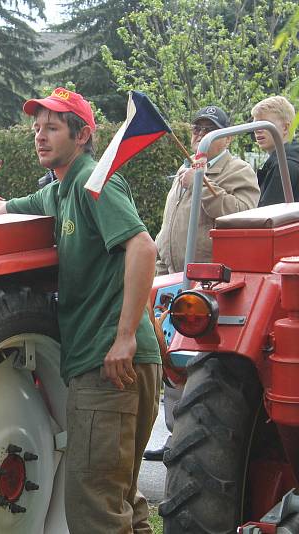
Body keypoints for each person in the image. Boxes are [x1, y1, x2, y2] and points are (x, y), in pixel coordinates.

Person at [0, 87, 161, 533]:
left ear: (83, 134)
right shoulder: (61, 191)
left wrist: (125, 336)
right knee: (119, 500)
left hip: (110, 363)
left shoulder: (97, 182)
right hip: (112, 359)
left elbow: (143, 247)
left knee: (93, 508)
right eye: (37, 128)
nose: (40, 136)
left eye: (52, 127)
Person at [146, 105, 260, 461]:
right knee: (170, 360)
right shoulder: (185, 169)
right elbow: (172, 226)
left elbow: (242, 214)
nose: (198, 134)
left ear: (224, 137)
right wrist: (158, 265)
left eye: (207, 128)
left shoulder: (238, 171)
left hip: (209, 284)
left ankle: (192, 437)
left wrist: (203, 188)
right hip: (173, 277)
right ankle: (174, 435)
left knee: (198, 362)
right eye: (196, 127)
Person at [251, 96, 299, 207]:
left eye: (264, 124)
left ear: (286, 128)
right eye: (254, 125)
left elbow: (268, 216)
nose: (257, 130)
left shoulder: (284, 165)